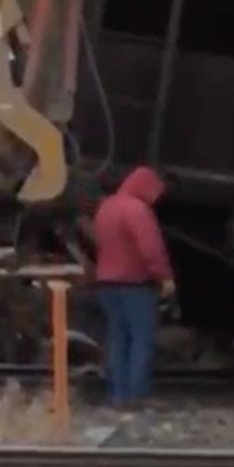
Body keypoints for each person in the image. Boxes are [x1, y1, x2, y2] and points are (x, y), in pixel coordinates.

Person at [91, 166, 175, 406]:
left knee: (118, 339)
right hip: (134, 284)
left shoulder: (107, 207)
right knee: (141, 339)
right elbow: (151, 248)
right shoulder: (137, 210)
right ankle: (137, 395)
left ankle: (118, 394)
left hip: (106, 283)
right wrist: (165, 277)